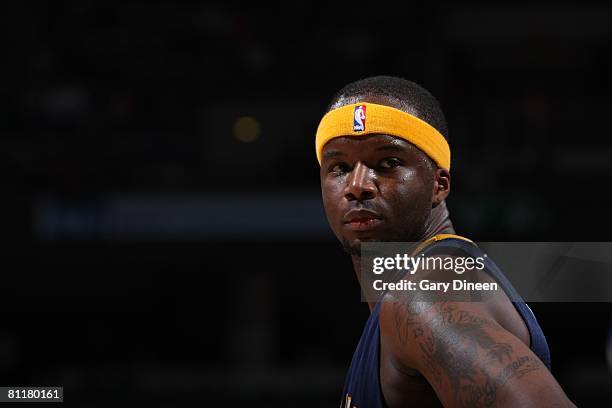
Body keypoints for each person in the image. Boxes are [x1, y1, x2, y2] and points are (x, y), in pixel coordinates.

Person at [315, 76, 575, 407]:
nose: (358, 185)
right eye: (339, 167)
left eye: (388, 163)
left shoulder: (428, 298)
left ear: (439, 184)